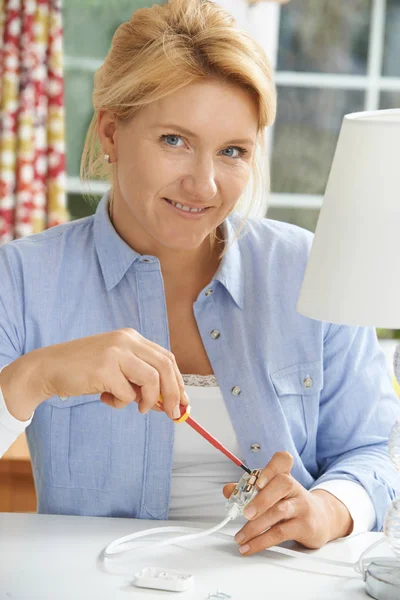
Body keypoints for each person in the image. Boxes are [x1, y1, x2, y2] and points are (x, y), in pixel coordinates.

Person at [0, 0, 399, 558]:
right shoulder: (21, 277)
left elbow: (375, 451)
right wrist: (34, 376)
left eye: (232, 151)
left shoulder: (308, 271)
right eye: (174, 141)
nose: (205, 186)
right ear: (112, 132)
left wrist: (327, 509)